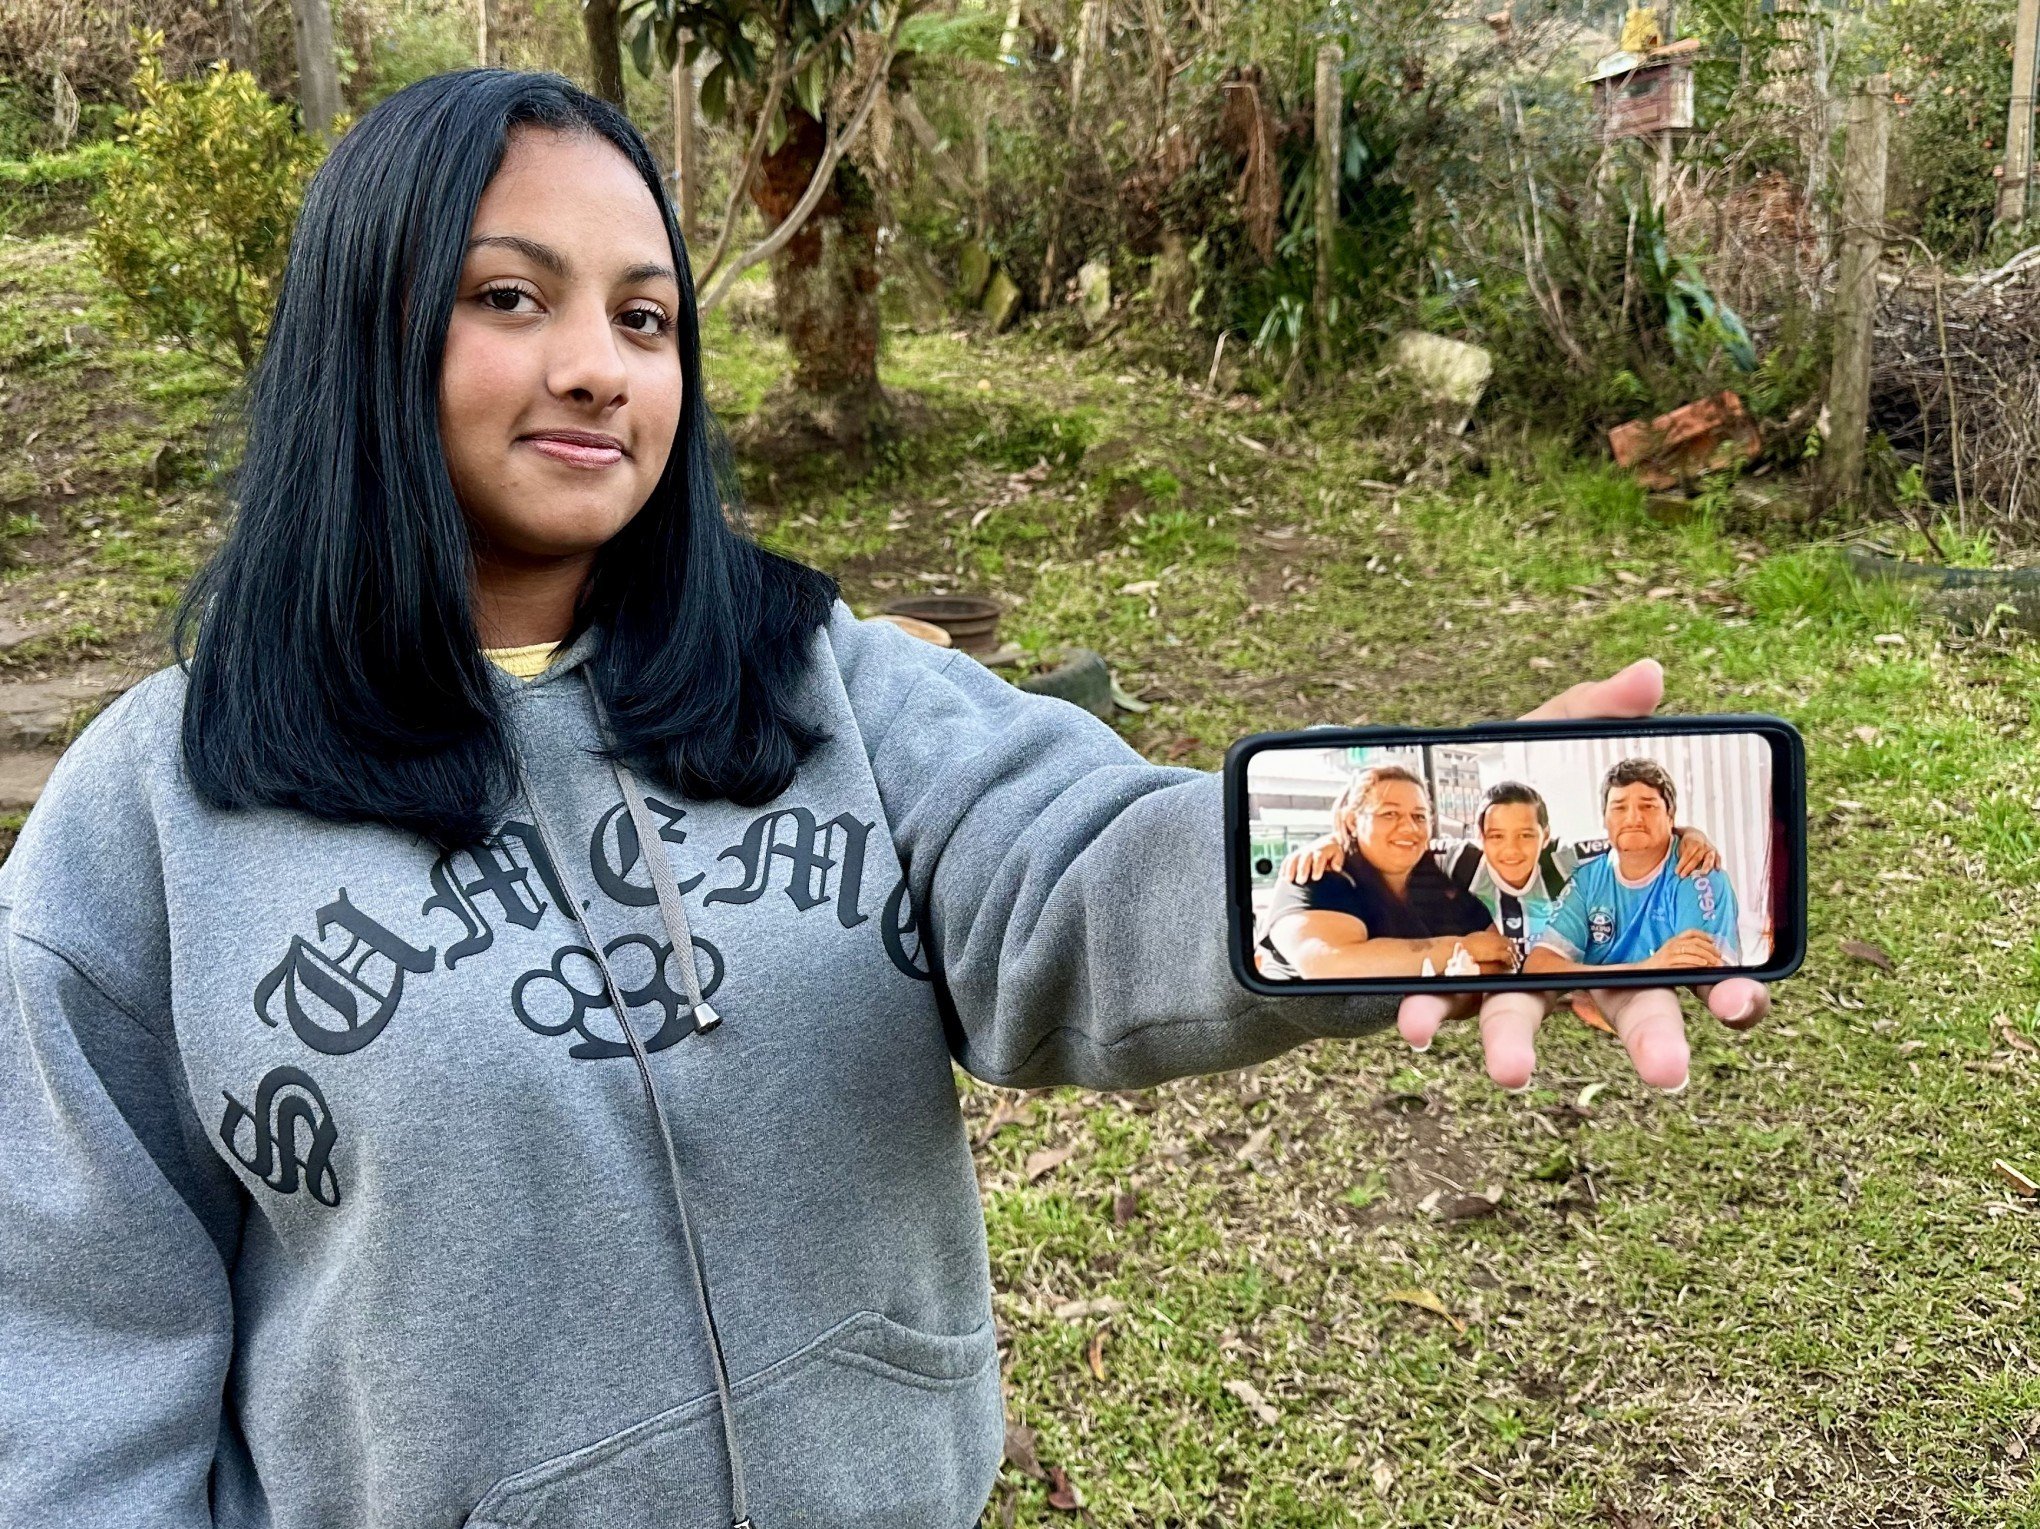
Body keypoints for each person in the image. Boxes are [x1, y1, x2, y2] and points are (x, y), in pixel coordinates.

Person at [0, 70, 1768, 1529]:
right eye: (508, 296)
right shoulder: (155, 817)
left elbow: (1077, 867)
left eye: (646, 314)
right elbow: (76, 1344)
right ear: (361, 333)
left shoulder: (813, 677)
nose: (600, 366)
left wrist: (1419, 867)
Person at [1280, 780, 1722, 966]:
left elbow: (1638, 835)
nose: (1510, 852)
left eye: (1526, 837)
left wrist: (1693, 833)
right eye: (1496, 837)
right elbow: (1390, 843)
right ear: (1479, 837)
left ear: (1545, 836)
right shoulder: (1462, 860)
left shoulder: (1565, 860)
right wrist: (1331, 841)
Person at [1255, 766, 1512, 980]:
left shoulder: (1440, 879)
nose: (1409, 827)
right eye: (1389, 813)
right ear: (1352, 822)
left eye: (1419, 816)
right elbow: (1330, 965)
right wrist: (1464, 950)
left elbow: (1499, 956)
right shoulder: (1319, 873)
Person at [1525, 757, 1743, 975]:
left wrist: (1690, 833)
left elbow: (1707, 970)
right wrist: (1642, 969)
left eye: (1647, 806)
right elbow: (1538, 966)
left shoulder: (1695, 866)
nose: (1633, 818)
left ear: (1671, 816)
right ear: (1604, 820)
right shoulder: (1583, 867)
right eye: (1619, 808)